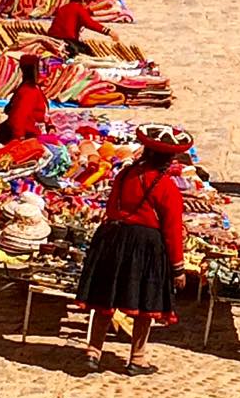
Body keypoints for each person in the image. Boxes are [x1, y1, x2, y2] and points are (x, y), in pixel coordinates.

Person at [77, 125, 188, 375]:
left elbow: (111, 207)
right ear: (167, 159)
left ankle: (93, 352)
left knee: (105, 297)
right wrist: (177, 268)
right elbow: (171, 228)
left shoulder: (125, 175)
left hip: (112, 238)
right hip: (146, 245)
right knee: (144, 301)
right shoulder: (166, 186)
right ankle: (137, 359)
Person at [0, 54, 48, 144]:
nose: (45, 73)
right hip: (25, 136)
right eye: (41, 69)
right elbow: (18, 118)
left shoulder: (35, 89)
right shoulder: (29, 91)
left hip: (35, 132)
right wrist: (19, 139)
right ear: (33, 71)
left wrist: (51, 126)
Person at [48, 0, 119, 55]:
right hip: (66, 41)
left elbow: (84, 12)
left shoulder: (64, 7)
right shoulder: (79, 8)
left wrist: (101, 6)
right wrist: (108, 31)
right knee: (88, 52)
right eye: (88, 2)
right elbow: (90, 23)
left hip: (52, 38)